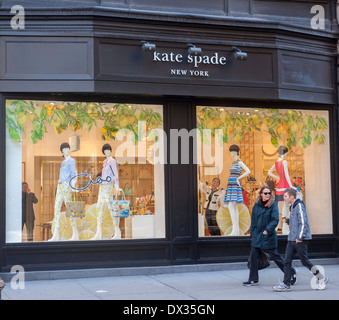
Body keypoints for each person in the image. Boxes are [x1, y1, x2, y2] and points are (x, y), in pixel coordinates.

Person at [273, 188, 328, 292]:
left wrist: (300, 237)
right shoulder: (292, 207)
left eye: (285, 196)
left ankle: (321, 278)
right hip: (291, 239)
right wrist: (288, 221)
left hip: (299, 240)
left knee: (305, 261)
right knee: (287, 261)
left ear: (292, 197)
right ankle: (286, 284)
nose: (284, 198)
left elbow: (303, 223)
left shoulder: (299, 206)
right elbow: (296, 222)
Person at [243, 186, 296, 286]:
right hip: (257, 236)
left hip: (268, 236)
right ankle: (253, 280)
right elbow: (253, 221)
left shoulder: (273, 205)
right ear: (261, 194)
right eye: (265, 193)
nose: (267, 195)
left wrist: (267, 230)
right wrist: (252, 233)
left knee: (276, 257)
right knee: (253, 256)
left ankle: (291, 272)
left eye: (269, 193)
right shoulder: (257, 205)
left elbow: (275, 220)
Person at [49, 142, 78, 241]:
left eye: (67, 148)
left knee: (70, 208)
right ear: (62, 150)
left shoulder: (71, 160)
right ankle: (56, 234)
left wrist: (73, 185)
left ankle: (75, 233)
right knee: (56, 207)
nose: (66, 150)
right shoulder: (63, 162)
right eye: (64, 148)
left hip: (66, 185)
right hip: (60, 185)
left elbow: (74, 174)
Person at [91, 143, 120, 240]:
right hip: (102, 186)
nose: (107, 151)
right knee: (99, 207)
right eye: (105, 150)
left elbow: (115, 174)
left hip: (108, 186)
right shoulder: (105, 162)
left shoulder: (112, 161)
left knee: (111, 208)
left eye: (108, 149)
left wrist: (116, 186)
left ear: (110, 150)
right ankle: (98, 232)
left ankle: (117, 232)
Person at [223, 145, 250, 236]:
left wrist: (239, 178)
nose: (231, 153)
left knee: (231, 205)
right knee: (233, 206)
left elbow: (248, 171)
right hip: (231, 184)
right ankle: (236, 230)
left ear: (235, 151)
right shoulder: (233, 162)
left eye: (232, 151)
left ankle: (235, 229)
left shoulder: (239, 162)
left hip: (235, 184)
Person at [268, 145, 294, 233]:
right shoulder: (284, 162)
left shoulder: (276, 162)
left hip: (280, 186)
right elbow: (287, 175)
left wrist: (278, 178)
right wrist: (291, 186)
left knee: (283, 207)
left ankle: (284, 227)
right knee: (287, 208)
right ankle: (285, 228)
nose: (287, 154)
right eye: (286, 152)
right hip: (286, 185)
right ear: (284, 152)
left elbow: (269, 172)